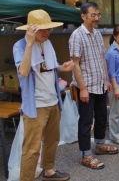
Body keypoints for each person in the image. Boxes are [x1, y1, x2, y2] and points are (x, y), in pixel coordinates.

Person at [13, 9, 74, 181]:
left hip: (53, 100)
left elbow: (48, 68)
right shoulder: (21, 46)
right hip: (36, 105)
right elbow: (23, 72)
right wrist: (30, 43)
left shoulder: (47, 44)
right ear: (31, 30)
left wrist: (62, 67)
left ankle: (48, 171)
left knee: (52, 140)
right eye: (42, 29)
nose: (47, 32)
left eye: (48, 29)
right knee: (31, 148)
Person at [69, 1, 118, 170]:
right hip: (86, 87)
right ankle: (85, 154)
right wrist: (82, 88)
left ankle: (99, 144)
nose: (96, 18)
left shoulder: (97, 34)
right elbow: (75, 64)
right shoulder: (77, 35)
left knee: (102, 116)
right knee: (86, 120)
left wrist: (106, 80)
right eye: (93, 15)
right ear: (83, 16)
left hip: (100, 84)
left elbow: (101, 58)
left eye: (98, 14)